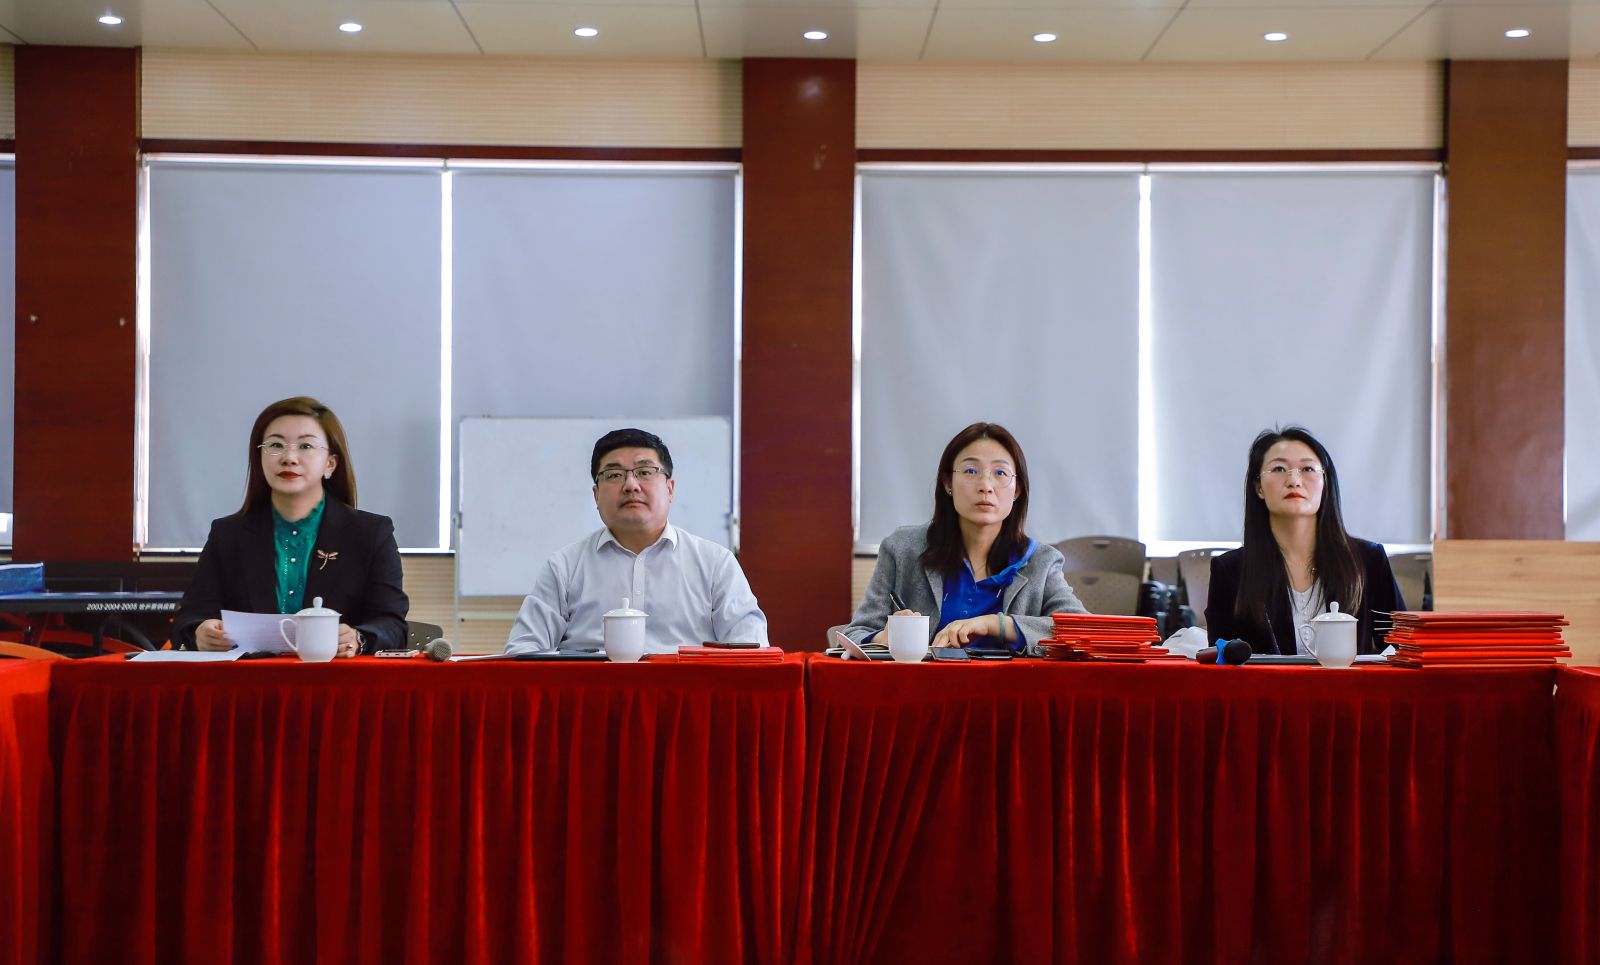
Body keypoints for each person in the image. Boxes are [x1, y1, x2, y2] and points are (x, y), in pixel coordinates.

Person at [172, 397, 409, 656]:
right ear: (259, 459)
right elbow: (189, 617)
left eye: (306, 445)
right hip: (251, 678)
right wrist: (199, 632)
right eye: (276, 445)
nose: (289, 458)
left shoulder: (371, 533)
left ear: (330, 464)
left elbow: (392, 625)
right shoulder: (227, 534)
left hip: (338, 677)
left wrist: (358, 638)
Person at [505, 427, 767, 655]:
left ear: (670, 489)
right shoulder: (564, 567)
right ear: (596, 495)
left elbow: (752, 651)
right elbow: (523, 650)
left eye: (644, 472)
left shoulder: (715, 564)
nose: (631, 485)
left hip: (686, 695)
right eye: (614, 475)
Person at [842, 422, 1086, 654]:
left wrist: (997, 624)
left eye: (1000, 472)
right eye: (971, 471)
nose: (986, 486)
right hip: (924, 683)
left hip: (1010, 685)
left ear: (1018, 489)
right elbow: (855, 633)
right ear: (947, 482)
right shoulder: (902, 549)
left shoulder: (1041, 561)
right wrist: (883, 638)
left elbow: (1082, 632)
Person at [1205, 426, 1404, 656]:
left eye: (1307, 468)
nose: (1294, 480)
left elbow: (1403, 647)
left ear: (1325, 482)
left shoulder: (1369, 560)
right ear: (1259, 487)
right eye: (1279, 469)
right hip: (1265, 682)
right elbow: (1221, 661)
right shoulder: (1230, 570)